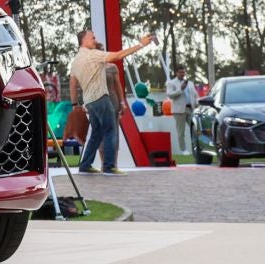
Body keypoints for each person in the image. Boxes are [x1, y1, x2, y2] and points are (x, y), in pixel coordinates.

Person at [69, 28, 156, 173]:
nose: (95, 40)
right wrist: (141, 45)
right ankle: (109, 166)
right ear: (83, 40)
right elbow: (118, 55)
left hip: (89, 102)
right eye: (92, 38)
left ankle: (85, 165)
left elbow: (72, 84)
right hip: (101, 98)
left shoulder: (76, 61)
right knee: (110, 130)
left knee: (96, 134)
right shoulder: (93, 55)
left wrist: (74, 104)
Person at [165, 64, 200, 158]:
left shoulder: (190, 83)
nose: (182, 74)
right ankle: (183, 150)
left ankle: (198, 148)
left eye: (183, 72)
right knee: (181, 132)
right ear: (176, 72)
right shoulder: (171, 83)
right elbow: (170, 95)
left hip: (190, 109)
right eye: (180, 72)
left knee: (196, 130)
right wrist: (181, 89)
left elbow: (195, 95)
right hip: (178, 110)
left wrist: (197, 104)